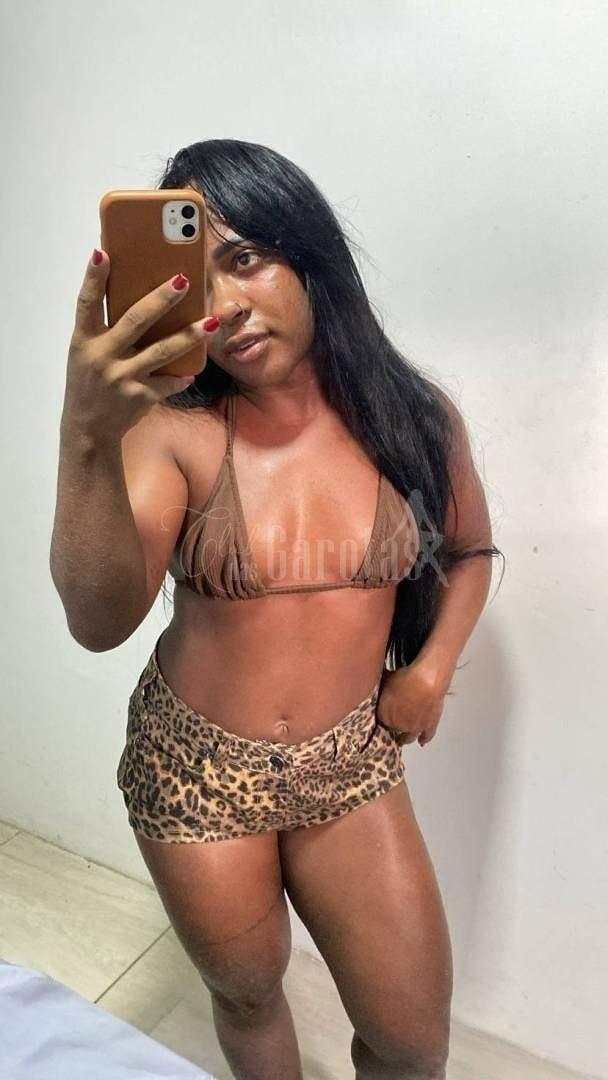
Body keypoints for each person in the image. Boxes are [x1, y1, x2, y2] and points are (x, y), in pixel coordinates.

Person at [50, 139, 503, 1080]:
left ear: (309, 252)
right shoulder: (173, 432)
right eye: (195, 281)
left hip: (351, 764)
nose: (223, 306)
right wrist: (86, 435)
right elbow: (97, 623)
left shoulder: (414, 419)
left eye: (247, 258)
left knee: (411, 1043)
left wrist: (429, 671)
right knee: (249, 994)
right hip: (196, 770)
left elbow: (467, 554)